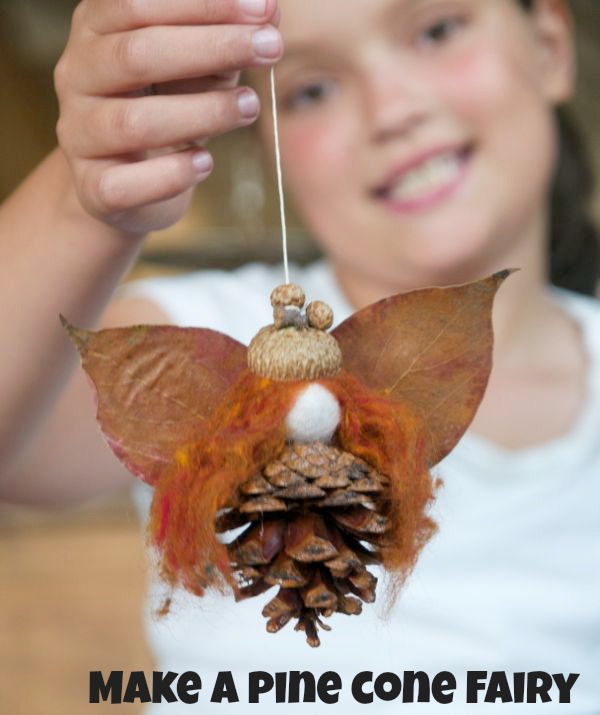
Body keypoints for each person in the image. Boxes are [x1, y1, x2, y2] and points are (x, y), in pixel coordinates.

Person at [1, 0, 599, 712]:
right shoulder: (217, 347)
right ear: (266, 150)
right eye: (313, 89)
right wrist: (85, 196)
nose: (391, 110)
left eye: (437, 30)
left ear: (551, 45)